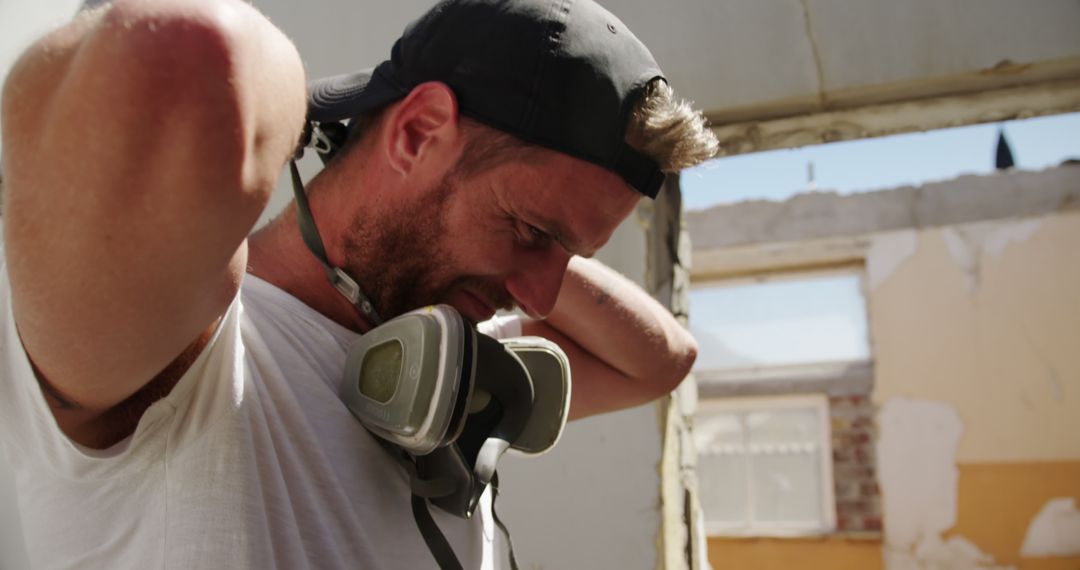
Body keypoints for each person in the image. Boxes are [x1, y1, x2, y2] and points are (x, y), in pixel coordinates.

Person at [0, 0, 717, 567]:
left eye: (573, 254)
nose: (537, 295)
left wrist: (539, 242)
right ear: (415, 131)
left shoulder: (450, 357)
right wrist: (317, 110)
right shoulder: (193, 353)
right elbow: (186, 55)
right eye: (531, 228)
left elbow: (663, 361)